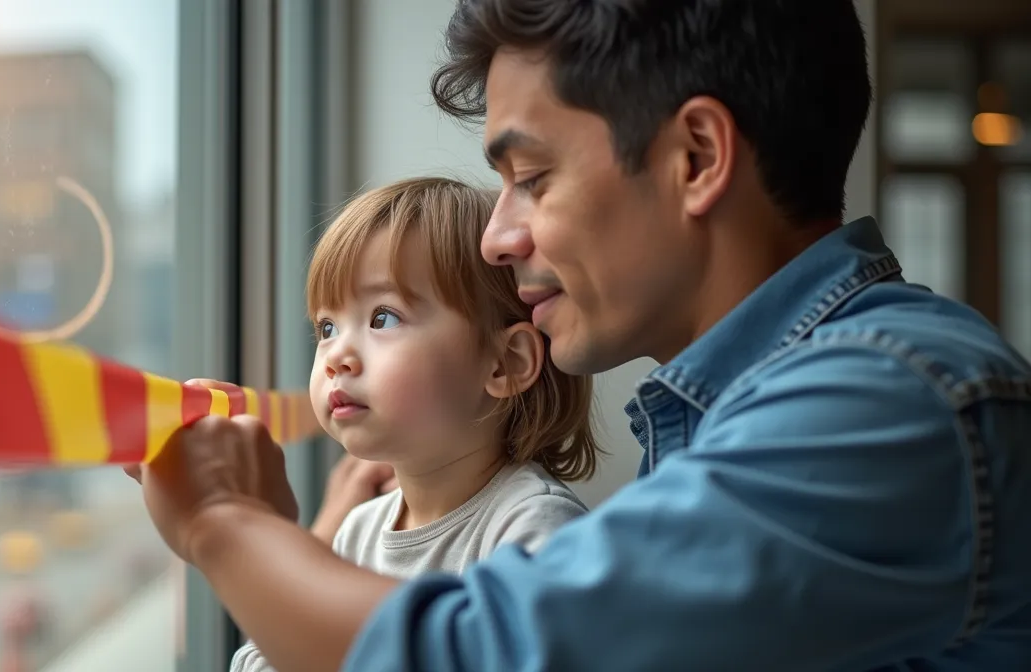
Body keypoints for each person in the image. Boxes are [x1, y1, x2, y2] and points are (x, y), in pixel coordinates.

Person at [126, 1, 1031, 669]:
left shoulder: (886, 402)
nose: (498, 236)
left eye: (532, 178)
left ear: (697, 158)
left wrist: (223, 522)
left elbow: (486, 654)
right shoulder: (740, 415)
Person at [227, 176, 599, 672]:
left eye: (383, 318)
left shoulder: (534, 528)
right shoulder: (358, 529)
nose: (336, 356)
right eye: (327, 327)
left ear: (505, 362)